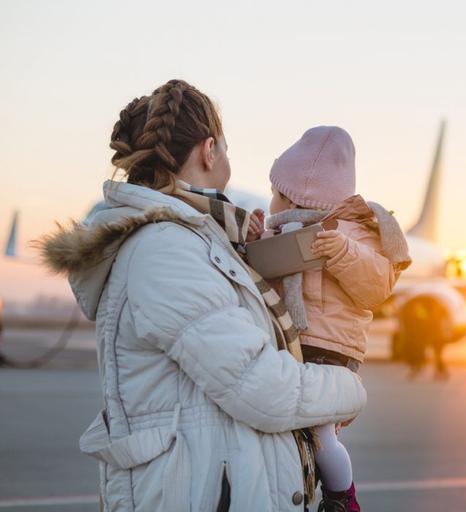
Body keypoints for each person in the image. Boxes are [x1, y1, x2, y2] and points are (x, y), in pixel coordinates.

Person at [37, 80, 367, 511]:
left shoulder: (194, 240)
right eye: (225, 146)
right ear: (209, 150)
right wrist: (350, 387)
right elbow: (261, 388)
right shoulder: (166, 250)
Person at [263, 126, 410, 511]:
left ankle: (342, 497)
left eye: (276, 193)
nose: (272, 202)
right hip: (294, 345)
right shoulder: (281, 232)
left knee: (322, 433)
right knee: (299, 432)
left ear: (294, 196)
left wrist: (343, 252)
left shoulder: (354, 232)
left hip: (331, 350)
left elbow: (376, 287)